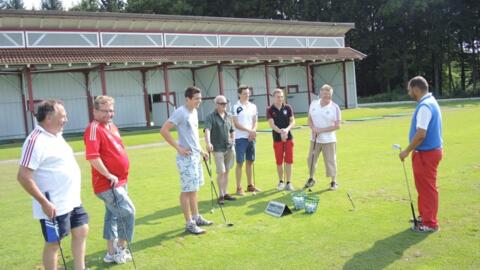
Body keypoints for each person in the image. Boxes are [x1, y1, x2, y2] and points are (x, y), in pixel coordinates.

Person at [17, 100, 89, 270]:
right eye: (62, 116)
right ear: (49, 118)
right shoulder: (35, 140)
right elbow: (23, 176)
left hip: (71, 200)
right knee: (54, 243)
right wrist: (44, 203)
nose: (66, 119)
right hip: (53, 204)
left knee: (81, 230)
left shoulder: (57, 135)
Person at [84, 96, 135, 264]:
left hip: (121, 180)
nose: (109, 114)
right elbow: (93, 157)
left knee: (112, 215)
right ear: (95, 111)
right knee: (128, 212)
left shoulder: (112, 126)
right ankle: (120, 248)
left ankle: (110, 252)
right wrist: (108, 174)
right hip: (108, 183)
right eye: (105, 111)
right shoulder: (93, 129)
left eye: (111, 110)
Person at [160, 86, 213, 235]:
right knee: (187, 190)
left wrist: (201, 150)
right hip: (185, 158)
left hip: (195, 156)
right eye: (196, 99)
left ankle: (196, 217)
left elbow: (193, 135)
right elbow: (164, 130)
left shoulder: (194, 111)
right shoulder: (180, 112)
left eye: (200, 98)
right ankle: (189, 223)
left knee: (194, 188)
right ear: (187, 99)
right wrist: (178, 148)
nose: (199, 101)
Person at [399, 76, 443, 233]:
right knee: (423, 187)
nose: (409, 92)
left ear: (416, 89)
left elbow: (421, 134)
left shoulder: (425, 106)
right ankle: (424, 216)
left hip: (426, 154)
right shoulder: (430, 102)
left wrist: (406, 150)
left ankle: (430, 223)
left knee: (427, 188)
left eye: (409, 89)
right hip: (428, 152)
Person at [305, 84, 341, 190]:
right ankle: (311, 178)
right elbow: (309, 119)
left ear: (331, 95)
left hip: (329, 140)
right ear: (320, 93)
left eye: (329, 94)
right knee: (310, 159)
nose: (326, 96)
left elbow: (338, 125)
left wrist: (320, 130)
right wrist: (313, 129)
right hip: (314, 138)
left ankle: (333, 182)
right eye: (325, 94)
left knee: (330, 160)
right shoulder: (313, 104)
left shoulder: (335, 107)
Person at [204, 95, 237, 204]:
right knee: (221, 171)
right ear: (217, 104)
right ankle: (221, 194)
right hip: (217, 148)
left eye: (225, 103)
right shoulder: (210, 117)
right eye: (222, 103)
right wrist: (208, 143)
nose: (224, 105)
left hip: (229, 147)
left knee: (227, 171)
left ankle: (226, 193)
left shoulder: (229, 116)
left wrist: (233, 140)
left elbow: (232, 130)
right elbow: (207, 130)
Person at [232, 85, 260, 195]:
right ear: (239, 94)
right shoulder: (235, 107)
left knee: (250, 161)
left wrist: (253, 131)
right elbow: (236, 124)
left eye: (248, 93)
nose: (247, 95)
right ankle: (239, 188)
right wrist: (250, 131)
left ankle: (250, 185)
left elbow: (255, 121)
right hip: (240, 138)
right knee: (240, 162)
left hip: (251, 137)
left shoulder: (253, 106)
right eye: (244, 93)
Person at [266, 89, 296, 191]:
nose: (280, 99)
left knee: (288, 161)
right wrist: (281, 132)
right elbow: (271, 124)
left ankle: (288, 182)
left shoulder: (288, 107)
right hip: (277, 139)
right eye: (278, 97)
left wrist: (286, 130)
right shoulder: (270, 109)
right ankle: (281, 182)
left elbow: (292, 121)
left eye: (282, 96)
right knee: (279, 161)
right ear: (273, 97)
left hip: (288, 138)